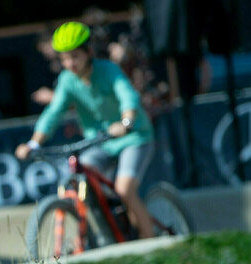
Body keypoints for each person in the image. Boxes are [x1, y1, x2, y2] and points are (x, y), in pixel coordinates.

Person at [15, 21, 155, 239]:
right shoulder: (67, 80)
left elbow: (128, 96)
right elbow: (53, 113)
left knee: (124, 188)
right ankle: (110, 230)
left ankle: (150, 242)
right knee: (82, 178)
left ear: (88, 52)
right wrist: (34, 143)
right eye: (64, 59)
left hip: (133, 137)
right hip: (100, 142)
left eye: (74, 57)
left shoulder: (108, 70)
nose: (69, 63)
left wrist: (126, 122)